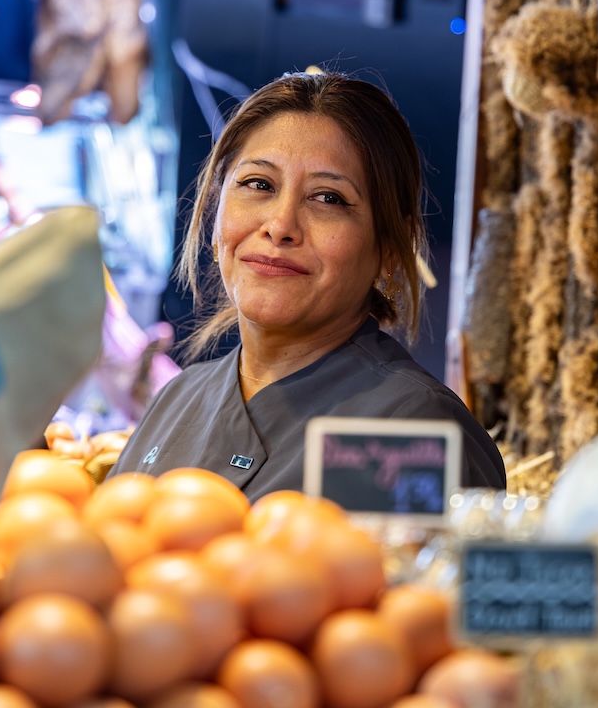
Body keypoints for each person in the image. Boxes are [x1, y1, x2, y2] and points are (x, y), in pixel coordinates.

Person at [109, 70, 506, 497]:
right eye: (258, 184)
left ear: (391, 245)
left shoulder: (410, 428)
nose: (280, 226)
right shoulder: (178, 398)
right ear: (214, 212)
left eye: (328, 198)